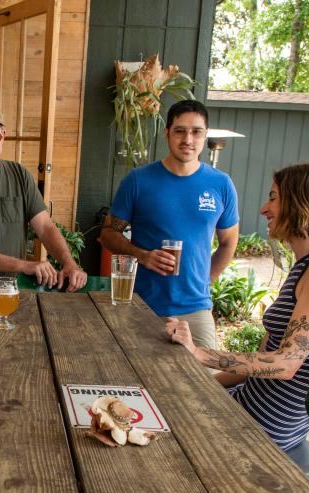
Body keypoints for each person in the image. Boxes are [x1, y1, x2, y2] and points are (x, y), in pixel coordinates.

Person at [167, 161, 309, 451]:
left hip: (262, 431)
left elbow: (285, 364)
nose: (264, 209)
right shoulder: (308, 265)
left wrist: (199, 353)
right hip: (243, 406)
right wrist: (205, 387)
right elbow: (262, 359)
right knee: (159, 402)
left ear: (301, 202)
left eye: (273, 197)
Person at [0, 99, 87, 403]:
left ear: (4, 136)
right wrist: (25, 265)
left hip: (14, 298)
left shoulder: (18, 175)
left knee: (14, 377)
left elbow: (46, 228)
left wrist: (69, 263)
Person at [100, 99, 239, 348]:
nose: (188, 139)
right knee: (137, 380)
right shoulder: (138, 180)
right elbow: (108, 233)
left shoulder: (221, 184)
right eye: (180, 131)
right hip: (144, 305)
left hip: (197, 310)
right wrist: (141, 255)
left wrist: (206, 280)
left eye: (196, 131)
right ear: (167, 134)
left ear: (205, 135)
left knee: (203, 383)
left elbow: (229, 242)